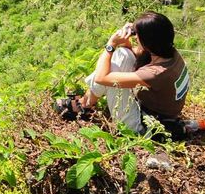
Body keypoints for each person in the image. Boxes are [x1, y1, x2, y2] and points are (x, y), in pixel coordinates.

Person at [56, 12, 190, 134]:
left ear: (147, 42)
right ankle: (86, 103)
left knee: (112, 77)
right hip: (156, 111)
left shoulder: (156, 73)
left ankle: (84, 105)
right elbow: (132, 55)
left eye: (136, 35)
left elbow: (101, 78)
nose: (135, 37)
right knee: (123, 54)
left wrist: (110, 45)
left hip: (145, 126)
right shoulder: (168, 52)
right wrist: (126, 41)